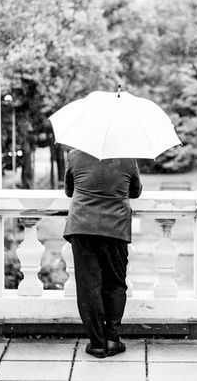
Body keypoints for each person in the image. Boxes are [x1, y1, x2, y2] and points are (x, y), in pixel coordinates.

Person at [63, 148, 142, 359]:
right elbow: (135, 191)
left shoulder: (74, 155)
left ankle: (97, 344)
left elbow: (69, 191)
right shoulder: (128, 157)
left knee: (89, 286)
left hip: (82, 227)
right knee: (115, 283)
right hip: (115, 228)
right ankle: (112, 340)